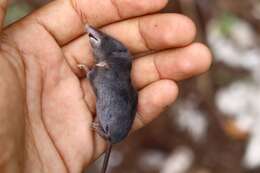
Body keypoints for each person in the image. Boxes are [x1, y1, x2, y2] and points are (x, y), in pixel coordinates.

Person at [0, 0, 212, 172]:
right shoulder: (110, 69)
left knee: (108, 96)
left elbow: (102, 82)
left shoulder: (108, 76)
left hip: (113, 109)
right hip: (113, 103)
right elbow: (103, 81)